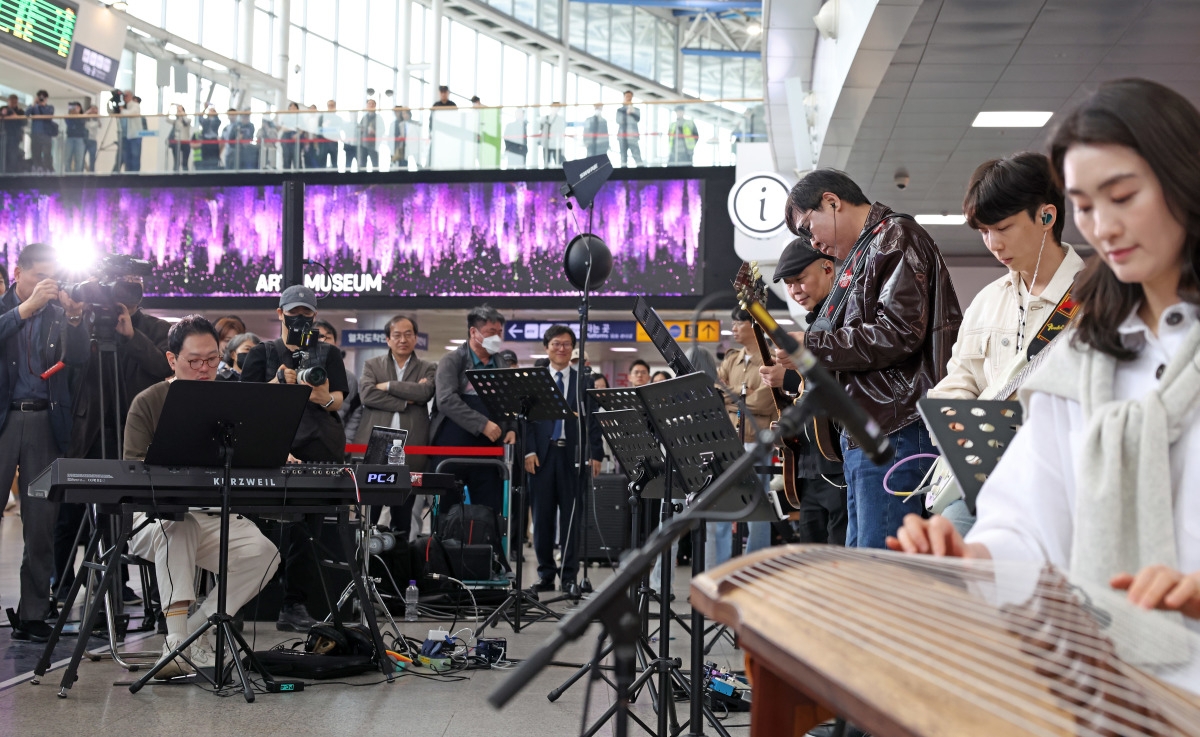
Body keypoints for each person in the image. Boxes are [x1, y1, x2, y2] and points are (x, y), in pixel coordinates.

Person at [888, 78, 1200, 697]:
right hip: (1114, 686)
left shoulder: (1075, 316)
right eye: (1087, 203)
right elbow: (1029, 518)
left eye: (1123, 196)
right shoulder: (1089, 358)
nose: (1104, 226)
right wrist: (973, 559)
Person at [784, 168, 962, 550]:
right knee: (865, 565)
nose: (811, 241)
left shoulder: (896, 236)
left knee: (882, 571)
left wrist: (811, 346)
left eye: (807, 226)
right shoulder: (864, 252)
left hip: (897, 424)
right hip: (874, 425)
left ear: (832, 202)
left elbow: (898, 332)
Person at [926, 152, 1085, 536]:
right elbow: (959, 379)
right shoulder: (987, 301)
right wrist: (955, 426)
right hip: (982, 480)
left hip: (1061, 483)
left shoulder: (1094, 301)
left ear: (1046, 217)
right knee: (953, 569)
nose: (992, 244)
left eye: (1003, 227)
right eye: (983, 231)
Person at [123, 315, 278, 677]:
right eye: (194, 361)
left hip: (212, 514)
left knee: (266, 555)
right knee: (181, 526)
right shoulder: (148, 402)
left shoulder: (230, 398)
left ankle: (193, 633)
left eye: (212, 360)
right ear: (171, 359)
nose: (205, 369)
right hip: (157, 517)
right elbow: (132, 470)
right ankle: (176, 641)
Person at [56, 271, 171, 601]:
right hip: (89, 428)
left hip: (131, 433)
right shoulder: (87, 322)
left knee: (118, 513)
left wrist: (132, 334)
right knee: (70, 514)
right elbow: (72, 360)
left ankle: (117, 585)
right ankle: (62, 587)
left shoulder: (158, 330)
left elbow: (163, 369)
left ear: (140, 300)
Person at [240, 285, 349, 632]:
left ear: (315, 316)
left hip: (318, 450)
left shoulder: (329, 354)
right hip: (269, 450)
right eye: (293, 313)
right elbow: (246, 404)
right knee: (253, 528)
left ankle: (294, 604)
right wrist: (277, 383)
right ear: (280, 313)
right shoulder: (261, 353)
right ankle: (240, 602)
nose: (299, 320)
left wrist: (319, 396)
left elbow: (337, 403)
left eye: (306, 314)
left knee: (307, 534)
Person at [0, 243, 89, 642]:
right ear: (18, 273)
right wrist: (24, 309)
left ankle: (34, 612)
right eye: (39, 276)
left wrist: (73, 319)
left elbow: (82, 360)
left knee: (40, 524)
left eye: (53, 276)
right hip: (3, 420)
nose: (48, 284)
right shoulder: (6, 306)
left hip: (44, 423)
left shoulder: (59, 315)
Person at [761, 238, 848, 547]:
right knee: (809, 556)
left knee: (839, 555)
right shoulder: (813, 327)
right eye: (789, 284)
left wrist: (787, 378)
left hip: (838, 463)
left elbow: (839, 384)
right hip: (808, 467)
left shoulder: (843, 321)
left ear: (828, 269)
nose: (795, 290)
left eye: (800, 279)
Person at [524, 326, 604, 593]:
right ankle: (546, 574)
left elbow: (593, 420)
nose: (561, 349)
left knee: (571, 518)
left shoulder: (584, 380)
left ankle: (569, 576)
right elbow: (527, 421)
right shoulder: (535, 379)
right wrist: (529, 451)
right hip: (542, 456)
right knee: (543, 518)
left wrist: (596, 453)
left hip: (574, 456)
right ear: (546, 347)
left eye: (567, 344)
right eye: (556, 344)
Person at [428, 305, 516, 516]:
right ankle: (444, 549)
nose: (496, 337)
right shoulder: (452, 361)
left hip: (489, 450)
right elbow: (446, 400)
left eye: (499, 333)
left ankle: (489, 549)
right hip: (451, 446)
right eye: (490, 333)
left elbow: (511, 401)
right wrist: (482, 424)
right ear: (473, 332)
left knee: (490, 510)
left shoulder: (501, 364)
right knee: (446, 512)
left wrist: (512, 428)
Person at [356, 315, 436, 541]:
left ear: (416, 338)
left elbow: (424, 393)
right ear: (388, 339)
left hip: (411, 446)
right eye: (397, 335)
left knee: (403, 514)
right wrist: (405, 400)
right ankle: (368, 565)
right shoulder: (373, 364)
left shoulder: (428, 367)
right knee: (371, 512)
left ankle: (399, 568)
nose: (403, 339)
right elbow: (368, 395)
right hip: (378, 443)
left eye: (408, 334)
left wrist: (389, 386)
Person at [710, 308, 778, 567]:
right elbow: (718, 392)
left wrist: (734, 401)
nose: (734, 328)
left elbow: (767, 401)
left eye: (739, 323)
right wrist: (742, 398)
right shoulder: (730, 360)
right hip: (729, 443)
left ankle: (754, 567)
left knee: (756, 509)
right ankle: (721, 568)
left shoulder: (771, 360)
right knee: (722, 507)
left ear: (754, 326)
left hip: (757, 442)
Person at [313, 320, 361, 442]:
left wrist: (346, 441)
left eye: (328, 337)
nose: (322, 341)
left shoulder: (349, 378)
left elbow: (355, 414)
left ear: (335, 343)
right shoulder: (299, 373)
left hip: (335, 442)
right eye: (317, 337)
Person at [25, 90, 54, 173]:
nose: (41, 98)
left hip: (46, 134)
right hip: (35, 133)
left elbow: (49, 116)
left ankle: (47, 169)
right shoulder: (34, 107)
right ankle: (37, 168)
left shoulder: (50, 107)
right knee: (35, 152)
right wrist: (34, 104)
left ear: (46, 98)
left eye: (43, 97)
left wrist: (43, 105)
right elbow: (26, 114)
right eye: (40, 97)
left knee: (47, 153)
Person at [615, 90, 642, 167]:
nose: (628, 98)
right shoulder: (620, 110)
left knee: (637, 156)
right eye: (627, 96)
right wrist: (626, 113)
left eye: (630, 96)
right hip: (622, 137)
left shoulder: (636, 110)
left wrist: (632, 112)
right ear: (624, 97)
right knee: (623, 158)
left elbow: (637, 119)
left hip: (633, 137)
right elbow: (618, 121)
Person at [0, 93, 26, 173]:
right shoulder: (3, 109)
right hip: (3, 136)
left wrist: (14, 115)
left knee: (13, 156)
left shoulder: (20, 111)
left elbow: (24, 122)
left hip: (14, 137)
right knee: (2, 155)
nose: (13, 104)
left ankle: (11, 174)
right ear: (8, 101)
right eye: (11, 102)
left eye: (15, 102)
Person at [119, 91, 143, 172]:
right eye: (124, 96)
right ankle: (128, 174)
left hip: (134, 136)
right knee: (127, 157)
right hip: (125, 136)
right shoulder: (124, 106)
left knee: (135, 156)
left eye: (126, 95)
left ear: (130, 96)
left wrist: (122, 110)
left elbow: (131, 113)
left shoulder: (135, 105)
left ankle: (135, 175)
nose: (125, 97)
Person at [63, 102, 87, 174]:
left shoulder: (82, 117)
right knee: (67, 158)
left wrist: (77, 114)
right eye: (72, 107)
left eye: (75, 107)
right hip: (69, 138)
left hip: (79, 138)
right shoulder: (68, 117)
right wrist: (72, 114)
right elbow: (69, 124)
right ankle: (68, 174)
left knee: (79, 159)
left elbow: (81, 123)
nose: (73, 109)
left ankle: (77, 176)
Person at [168, 104, 192, 171]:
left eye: (180, 110)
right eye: (178, 111)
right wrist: (170, 108)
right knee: (176, 162)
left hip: (185, 142)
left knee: (185, 162)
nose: (179, 112)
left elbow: (186, 121)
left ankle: (185, 177)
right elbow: (166, 119)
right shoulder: (176, 121)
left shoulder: (188, 120)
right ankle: (175, 177)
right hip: (177, 142)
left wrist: (182, 114)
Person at [541, 102, 565, 167]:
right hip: (547, 144)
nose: (555, 109)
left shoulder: (560, 119)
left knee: (558, 163)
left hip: (556, 145)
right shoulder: (545, 118)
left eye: (557, 107)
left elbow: (561, 132)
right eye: (554, 107)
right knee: (546, 163)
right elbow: (542, 130)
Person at [357, 99, 378, 170]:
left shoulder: (378, 118)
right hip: (363, 145)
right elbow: (359, 129)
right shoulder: (364, 118)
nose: (371, 105)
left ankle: (376, 180)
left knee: (375, 164)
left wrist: (374, 132)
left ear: (375, 106)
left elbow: (382, 131)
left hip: (373, 145)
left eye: (372, 104)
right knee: (362, 164)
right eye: (369, 104)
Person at [83, 104, 101, 172]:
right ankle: (82, 170)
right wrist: (88, 112)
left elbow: (99, 125)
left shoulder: (96, 119)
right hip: (85, 140)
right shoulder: (85, 119)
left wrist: (96, 114)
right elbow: (82, 117)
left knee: (92, 158)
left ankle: (92, 172)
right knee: (82, 157)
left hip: (93, 140)